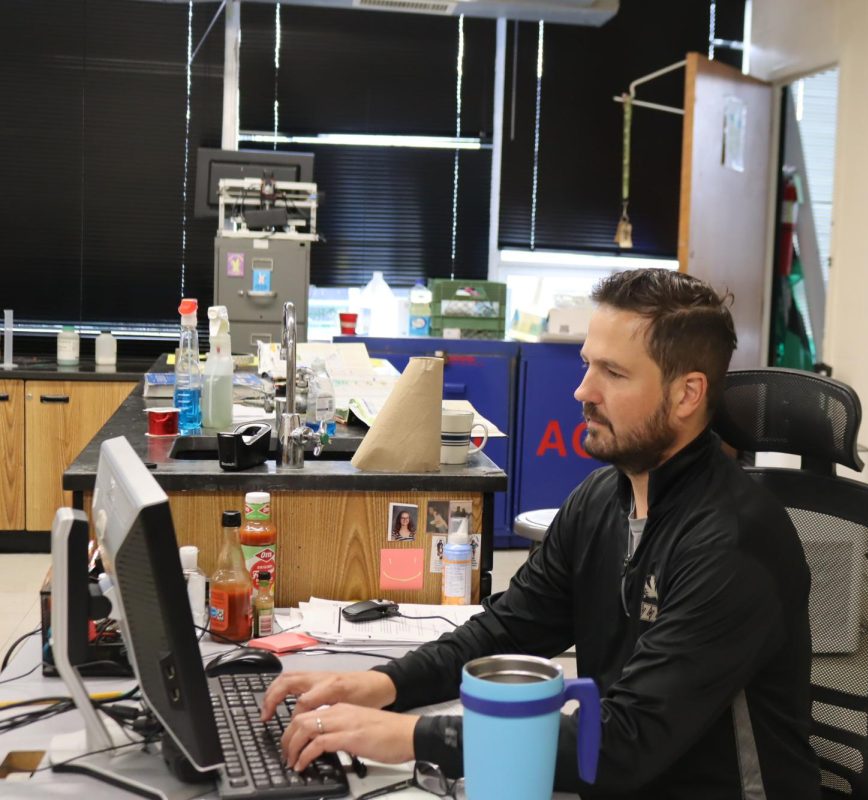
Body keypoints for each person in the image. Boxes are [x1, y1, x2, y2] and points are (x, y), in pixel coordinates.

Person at [261, 269, 822, 799]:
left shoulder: (733, 543)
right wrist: (383, 686)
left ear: (686, 394)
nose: (583, 391)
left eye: (614, 373)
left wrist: (411, 738)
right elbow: (507, 631)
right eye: (587, 365)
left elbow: (624, 743)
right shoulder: (603, 498)